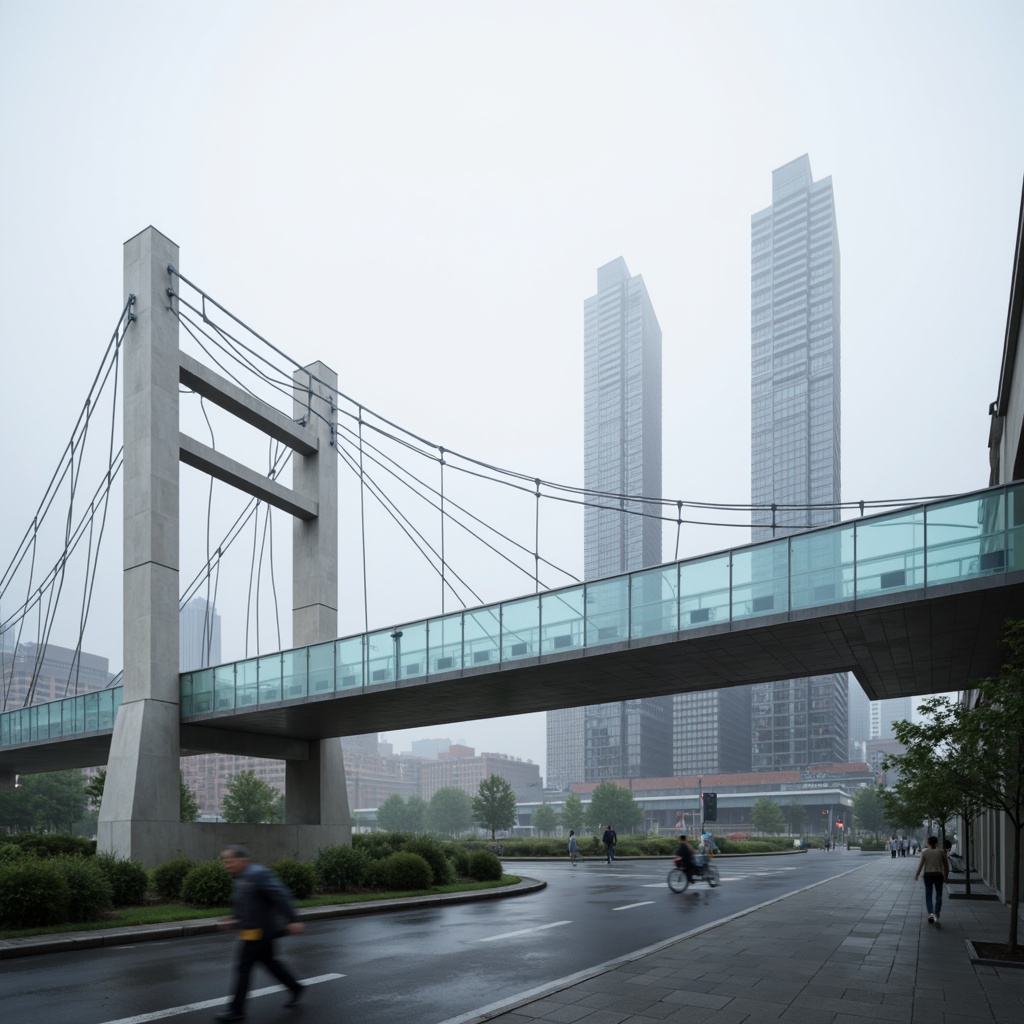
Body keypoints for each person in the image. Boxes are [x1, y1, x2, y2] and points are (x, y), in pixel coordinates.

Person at [216, 844, 305, 1021]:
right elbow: (245, 904)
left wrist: (293, 919)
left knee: (244, 968)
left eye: (230, 862)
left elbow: (281, 895)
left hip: (260, 931)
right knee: (269, 962)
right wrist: (233, 918)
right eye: (225, 862)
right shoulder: (241, 877)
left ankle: (237, 1010)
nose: (227, 865)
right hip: (251, 930)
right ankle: (295, 987)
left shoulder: (257, 874)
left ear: (243, 860)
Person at [914, 835, 950, 924]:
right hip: (938, 875)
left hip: (928, 875)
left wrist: (917, 874)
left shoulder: (925, 852)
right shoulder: (941, 852)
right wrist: (946, 875)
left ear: (928, 843)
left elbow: (921, 864)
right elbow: (946, 865)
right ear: (936, 843)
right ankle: (937, 913)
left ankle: (931, 913)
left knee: (928, 894)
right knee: (939, 894)